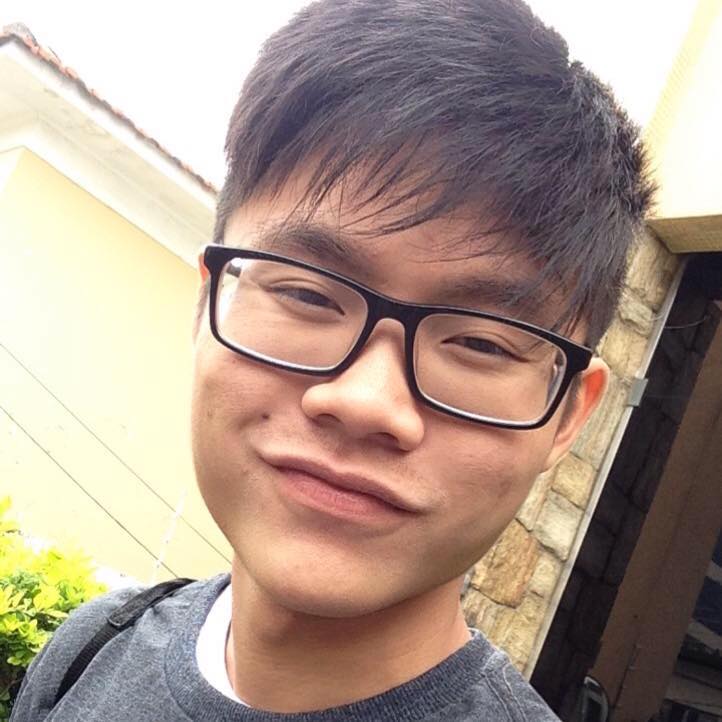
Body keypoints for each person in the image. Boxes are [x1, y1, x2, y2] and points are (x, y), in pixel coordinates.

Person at [10, 0, 654, 719]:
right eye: (307, 295)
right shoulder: (94, 648)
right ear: (207, 303)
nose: (365, 401)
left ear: (568, 417)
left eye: (479, 342)